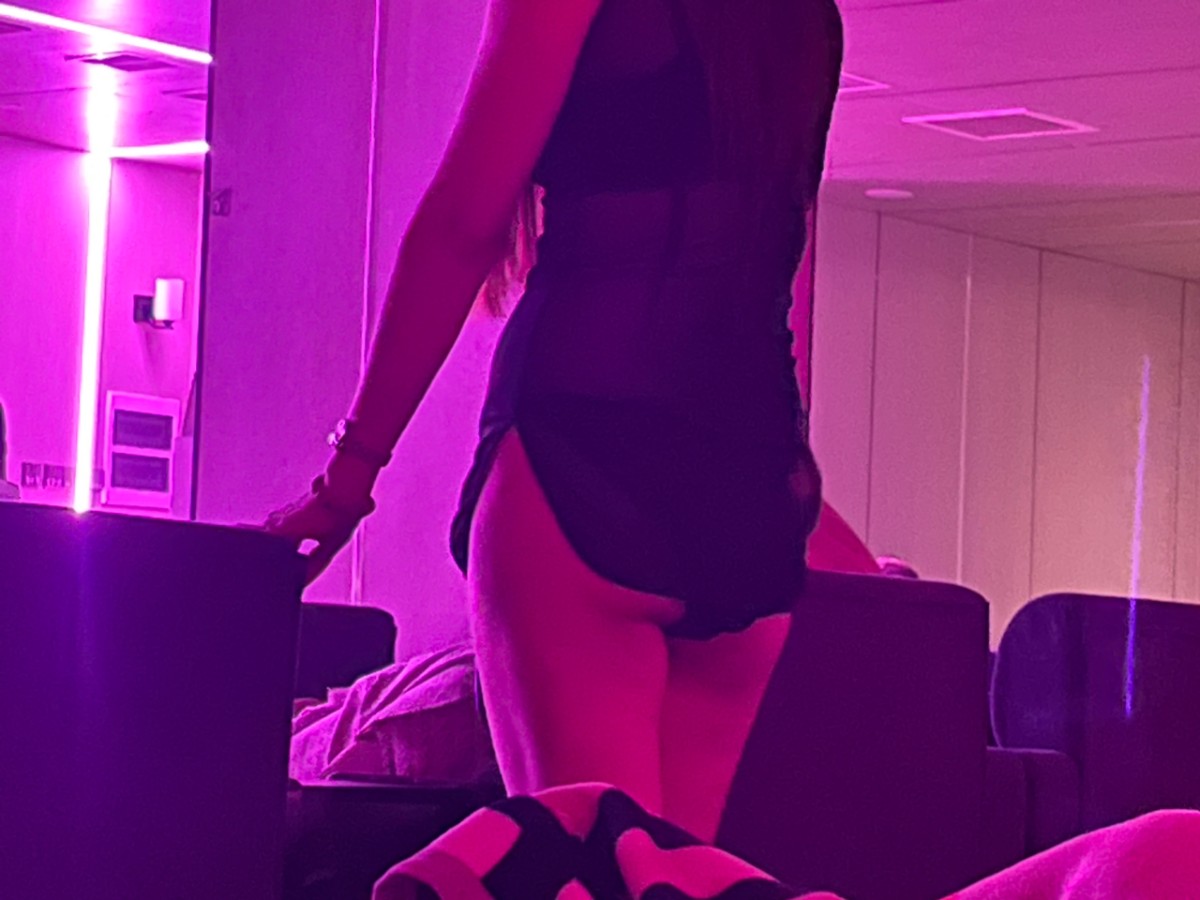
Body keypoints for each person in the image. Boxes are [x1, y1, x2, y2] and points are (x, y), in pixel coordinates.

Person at [267, 0, 843, 842]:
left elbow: (463, 226)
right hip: (750, 480)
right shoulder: (806, 16)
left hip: (586, 450)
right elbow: (779, 264)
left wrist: (347, 481)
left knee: (586, 871)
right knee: (675, 878)